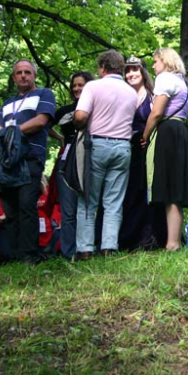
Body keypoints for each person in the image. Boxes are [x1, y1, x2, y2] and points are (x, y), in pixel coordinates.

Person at [74, 50, 138, 259]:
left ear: (102, 68)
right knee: (114, 201)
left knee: (88, 200)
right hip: (122, 147)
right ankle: (109, 247)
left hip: (97, 145)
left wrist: (77, 122)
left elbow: (81, 116)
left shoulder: (93, 86)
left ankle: (85, 248)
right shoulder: (131, 92)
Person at [0, 59, 56, 265]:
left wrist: (12, 132)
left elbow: (40, 121)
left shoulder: (44, 94)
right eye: (19, 72)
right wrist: (8, 135)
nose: (23, 76)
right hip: (7, 160)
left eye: (27, 72)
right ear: (13, 77)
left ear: (34, 75)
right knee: (9, 208)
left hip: (30, 158)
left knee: (27, 205)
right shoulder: (7, 103)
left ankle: (29, 255)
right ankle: (12, 256)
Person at [142, 48, 188, 251]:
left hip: (168, 133)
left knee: (170, 188)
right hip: (181, 131)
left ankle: (172, 243)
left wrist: (145, 135)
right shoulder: (183, 83)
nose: (153, 65)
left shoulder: (165, 79)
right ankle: (173, 241)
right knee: (175, 188)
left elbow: (157, 112)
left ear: (166, 62)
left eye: (156, 61)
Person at [120, 55, 166, 251]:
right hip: (126, 150)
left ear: (142, 72)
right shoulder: (121, 96)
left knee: (147, 193)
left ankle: (150, 238)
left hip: (148, 150)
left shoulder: (153, 96)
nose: (131, 74)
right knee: (129, 194)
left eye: (134, 70)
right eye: (127, 70)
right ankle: (129, 238)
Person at [51, 71, 93, 260]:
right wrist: (60, 137)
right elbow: (45, 123)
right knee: (68, 210)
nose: (76, 88)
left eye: (81, 85)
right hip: (67, 161)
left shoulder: (97, 107)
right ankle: (69, 253)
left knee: (88, 206)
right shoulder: (64, 111)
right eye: (74, 85)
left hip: (89, 158)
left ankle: (89, 248)